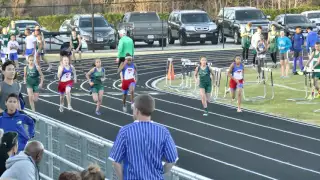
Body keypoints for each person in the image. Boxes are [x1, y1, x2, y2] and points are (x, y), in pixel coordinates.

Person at [109, 94, 178, 180]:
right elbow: (172, 160)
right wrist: (160, 172)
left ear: (137, 110)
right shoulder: (163, 131)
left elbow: (115, 161)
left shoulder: (125, 131)